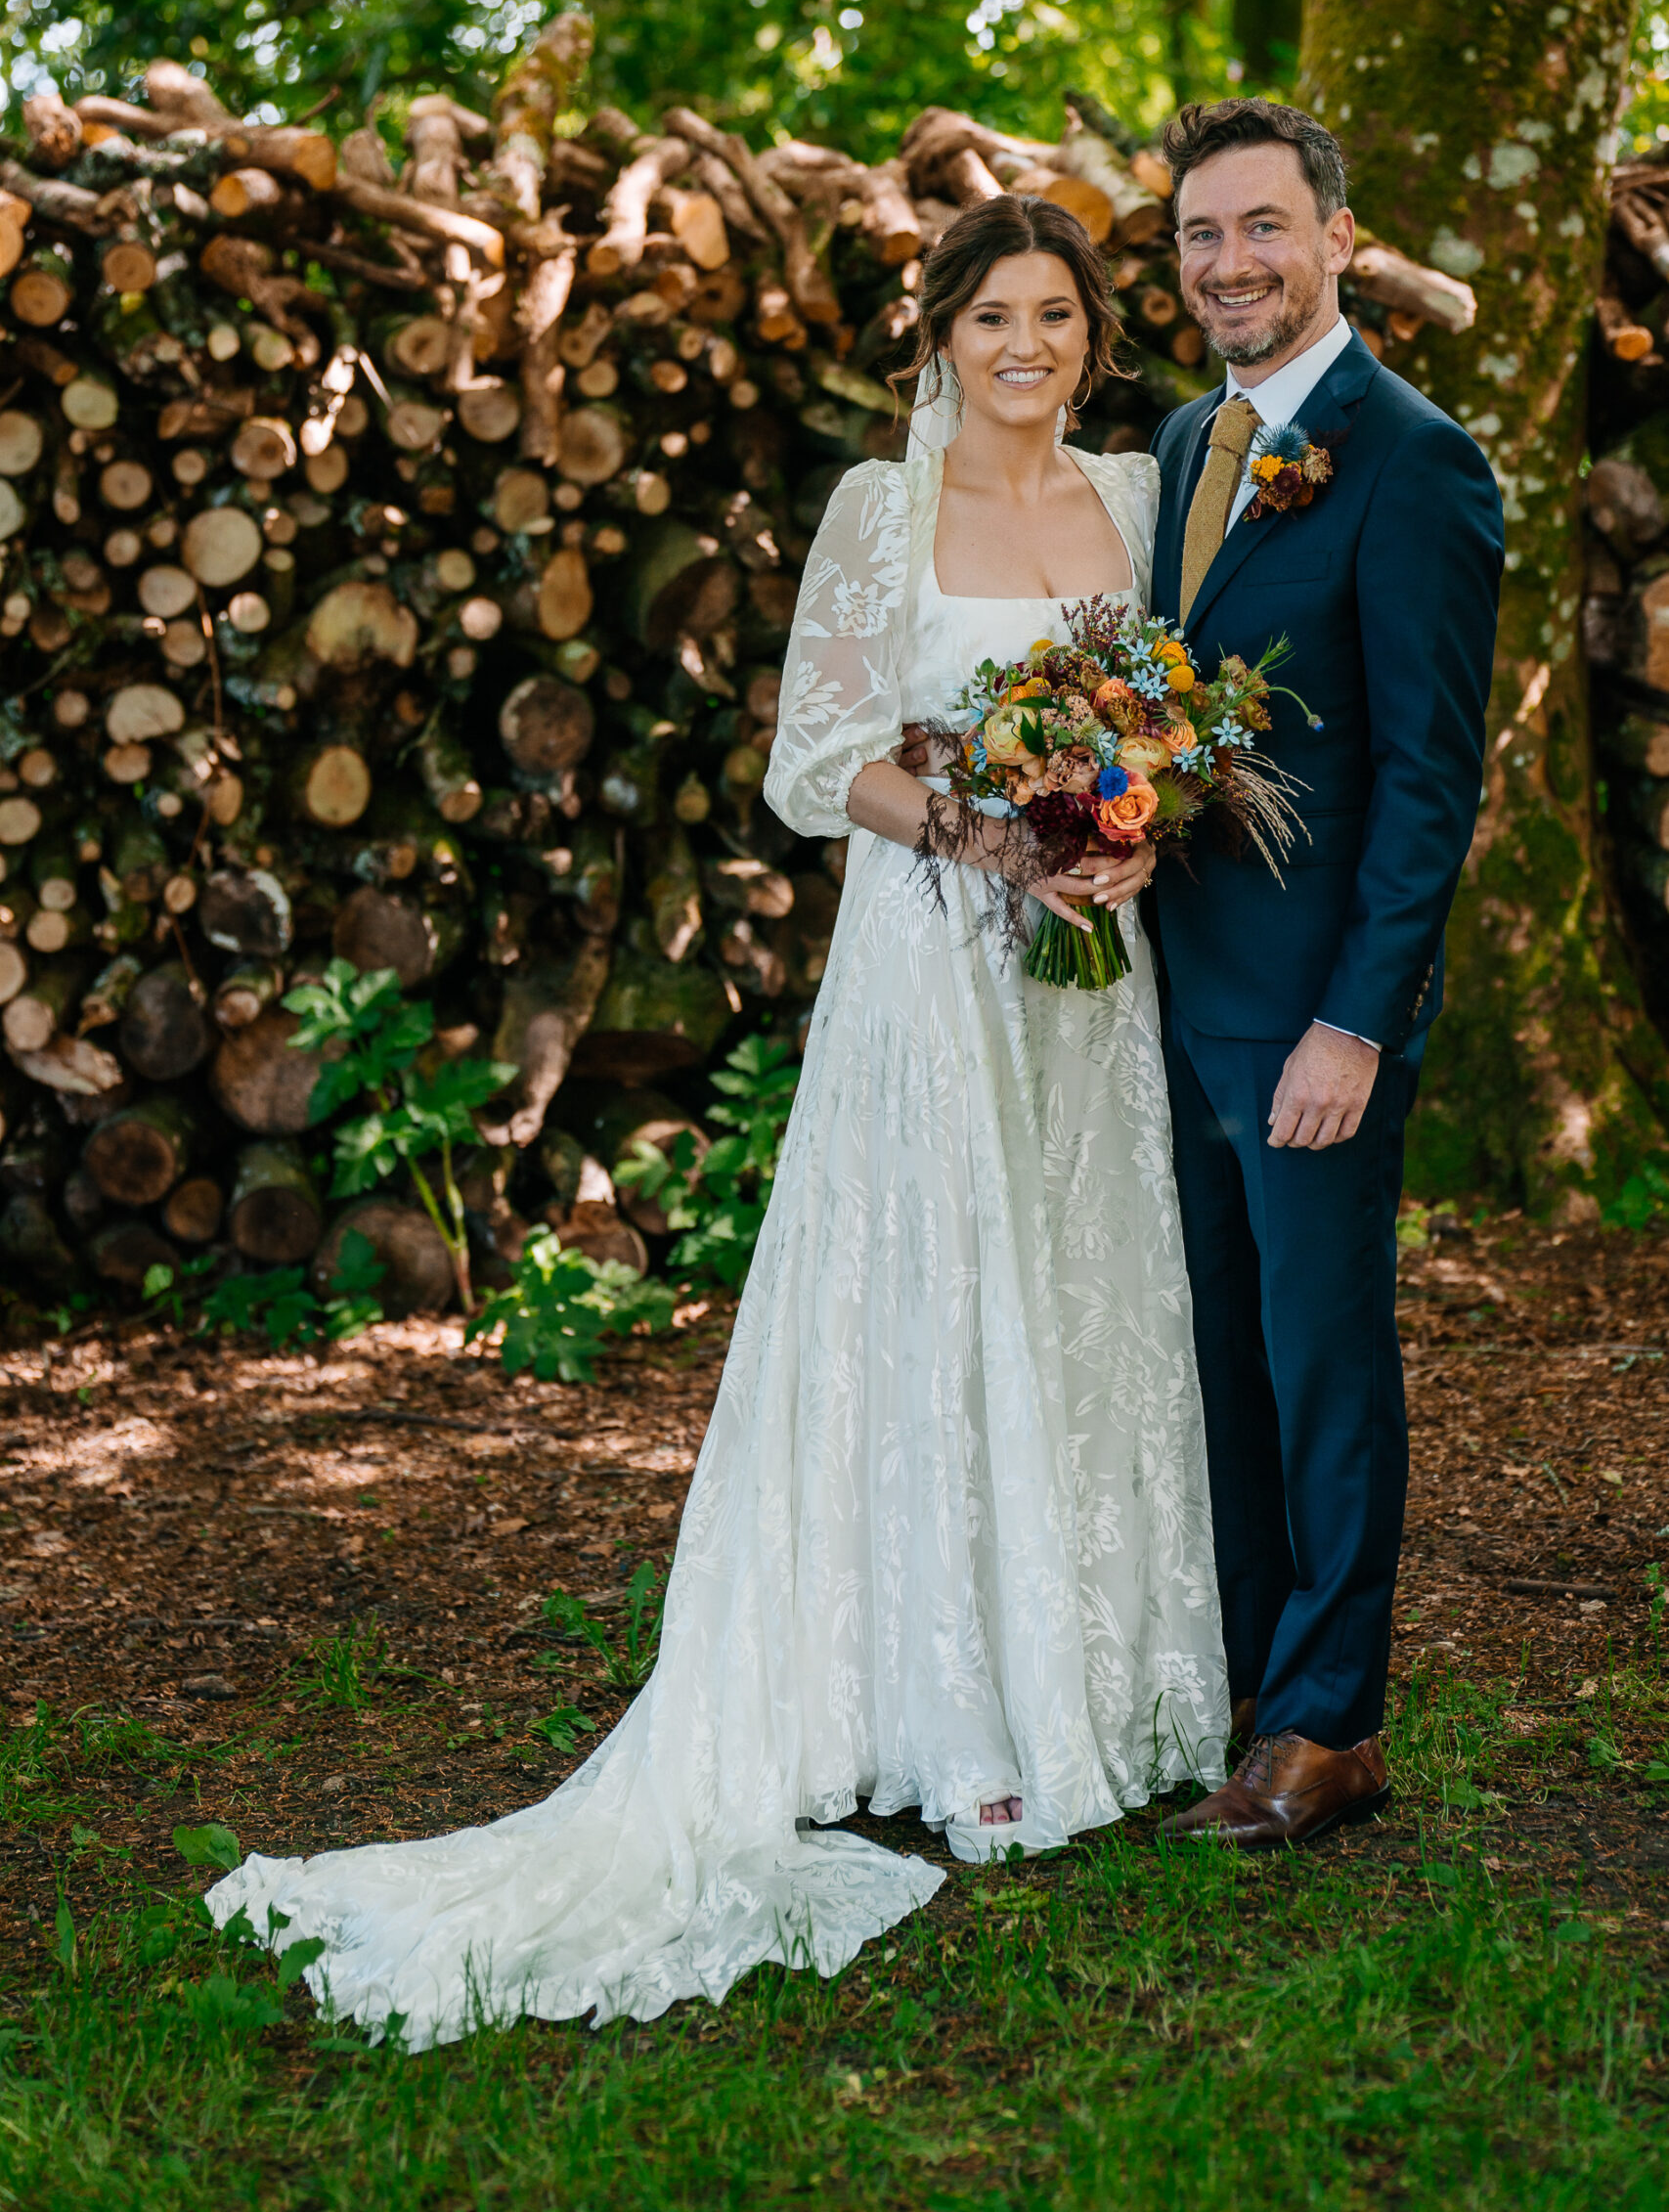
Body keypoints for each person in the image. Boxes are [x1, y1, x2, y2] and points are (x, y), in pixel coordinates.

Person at [204, 195, 1228, 2049]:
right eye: (996, 313)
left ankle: (1105, 1678)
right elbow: (811, 759)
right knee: (929, 1306)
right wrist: (1003, 835)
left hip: (1089, 987)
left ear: (1095, 336)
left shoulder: (1143, 498)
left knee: (1082, 1293)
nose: (1030, 344)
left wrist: (1123, 823)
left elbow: (1167, 711)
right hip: (932, 970)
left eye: (1060, 314)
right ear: (940, 332)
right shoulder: (876, 509)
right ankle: (948, 1718)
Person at [1120, 99, 1503, 1847]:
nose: (1229, 264)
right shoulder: (1187, 440)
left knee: (1326, 1360)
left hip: (1313, 1023)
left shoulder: (1412, 457)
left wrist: (1359, 1018)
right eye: (1201, 235)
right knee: (1223, 1359)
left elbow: (1431, 779)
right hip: (1171, 995)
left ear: (1340, 239)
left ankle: (1335, 1725)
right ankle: (1260, 1684)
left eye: (1263, 227)